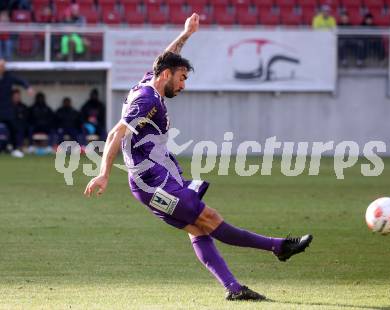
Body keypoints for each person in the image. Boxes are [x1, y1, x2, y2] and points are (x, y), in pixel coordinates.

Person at [84, 14, 313, 301]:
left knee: (197, 227)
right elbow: (115, 134)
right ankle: (278, 246)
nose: (183, 85)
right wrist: (104, 173)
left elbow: (167, 57)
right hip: (151, 184)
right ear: (166, 75)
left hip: (164, 176)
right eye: (182, 78)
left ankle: (234, 288)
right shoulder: (146, 101)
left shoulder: (148, 82)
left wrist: (186, 34)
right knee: (208, 218)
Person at [0, 58, 34, 158]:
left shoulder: (8, 77)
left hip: (6, 109)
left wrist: (28, 87)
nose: (1, 68)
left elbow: (21, 81)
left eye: (3, 66)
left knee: (14, 129)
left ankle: (15, 149)